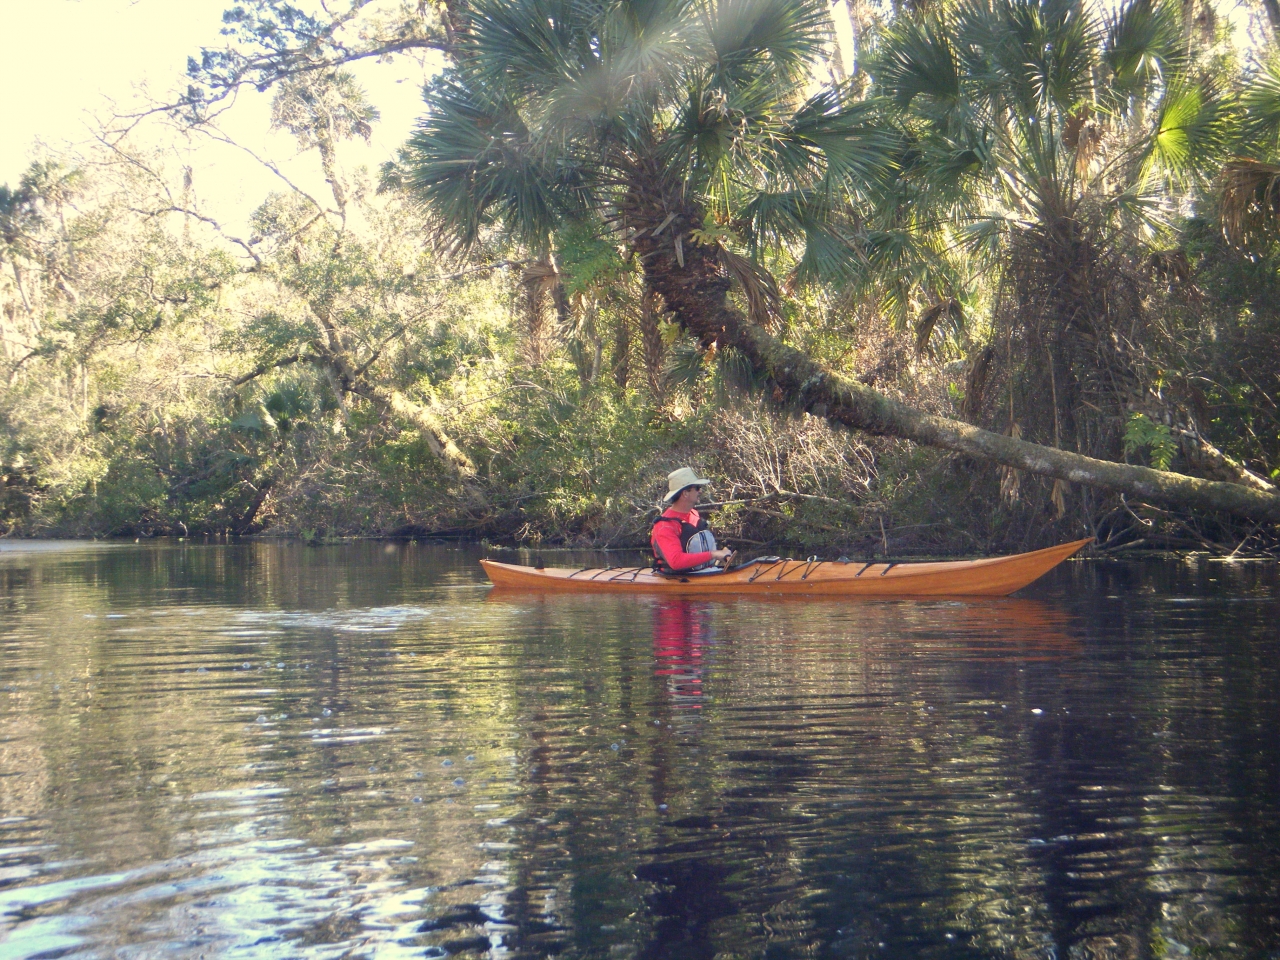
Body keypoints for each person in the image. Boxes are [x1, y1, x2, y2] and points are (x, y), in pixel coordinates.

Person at [650, 467, 734, 574]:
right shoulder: (665, 526)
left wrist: (720, 554)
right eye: (697, 488)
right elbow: (676, 561)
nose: (700, 491)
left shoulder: (693, 513)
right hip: (675, 581)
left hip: (701, 574)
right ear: (685, 493)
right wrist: (713, 554)